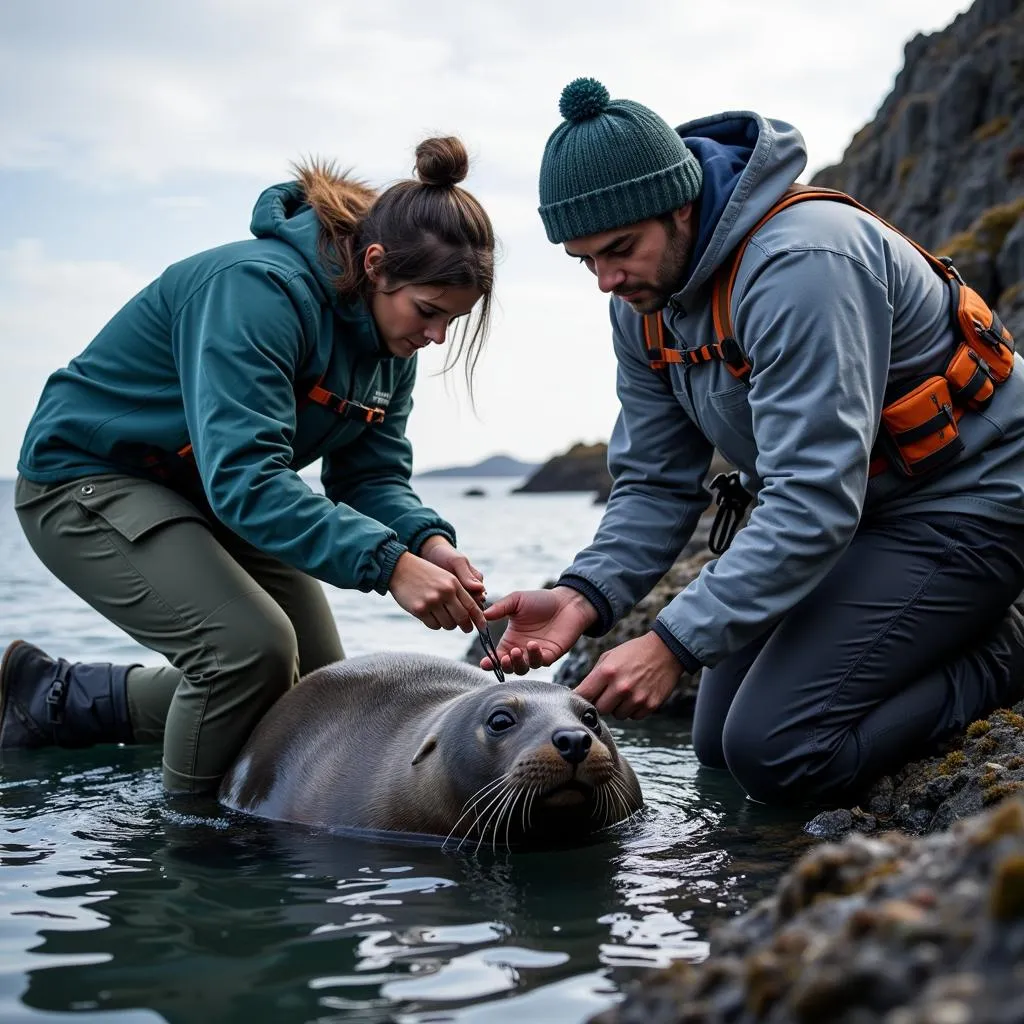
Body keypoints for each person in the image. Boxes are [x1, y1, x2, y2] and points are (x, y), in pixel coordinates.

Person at [482, 78, 1024, 805]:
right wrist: (582, 598)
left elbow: (811, 499)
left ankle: (1002, 653)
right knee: (715, 746)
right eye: (585, 260)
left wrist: (672, 643)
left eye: (620, 249)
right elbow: (654, 483)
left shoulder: (805, 265)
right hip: (862, 515)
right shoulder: (644, 306)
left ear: (679, 206)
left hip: (974, 503)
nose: (607, 279)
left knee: (777, 750)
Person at [1, 136, 494, 796]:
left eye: (450, 324)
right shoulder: (256, 291)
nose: (434, 339)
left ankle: (58, 699)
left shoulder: (389, 349)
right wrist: (389, 566)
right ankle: (199, 855)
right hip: (86, 479)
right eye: (428, 313)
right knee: (246, 653)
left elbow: (369, 479)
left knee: (323, 689)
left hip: (204, 493)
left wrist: (427, 546)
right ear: (375, 265)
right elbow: (247, 476)